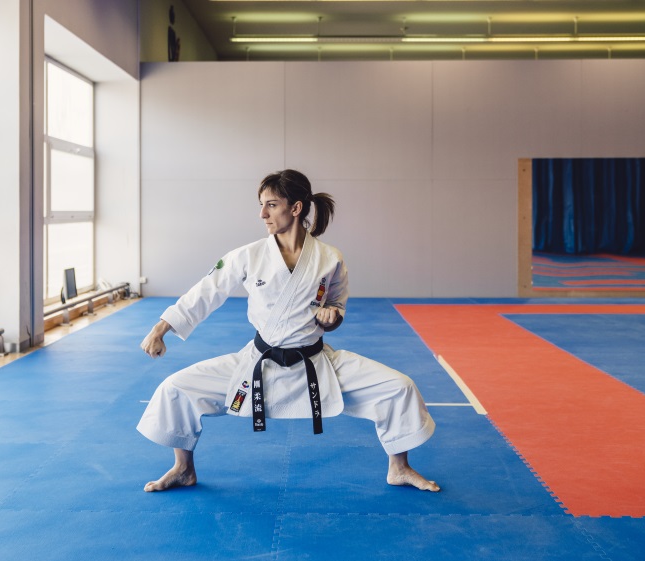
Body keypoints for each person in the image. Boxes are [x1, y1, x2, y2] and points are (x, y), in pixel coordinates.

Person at [137, 169, 439, 493]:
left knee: (399, 386)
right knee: (175, 388)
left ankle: (400, 467)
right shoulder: (248, 255)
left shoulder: (329, 258)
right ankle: (183, 469)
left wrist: (331, 317)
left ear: (295, 208)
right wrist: (160, 329)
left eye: (271, 205)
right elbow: (206, 291)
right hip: (258, 362)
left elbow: (337, 307)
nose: (262, 214)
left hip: (316, 361)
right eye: (261, 205)